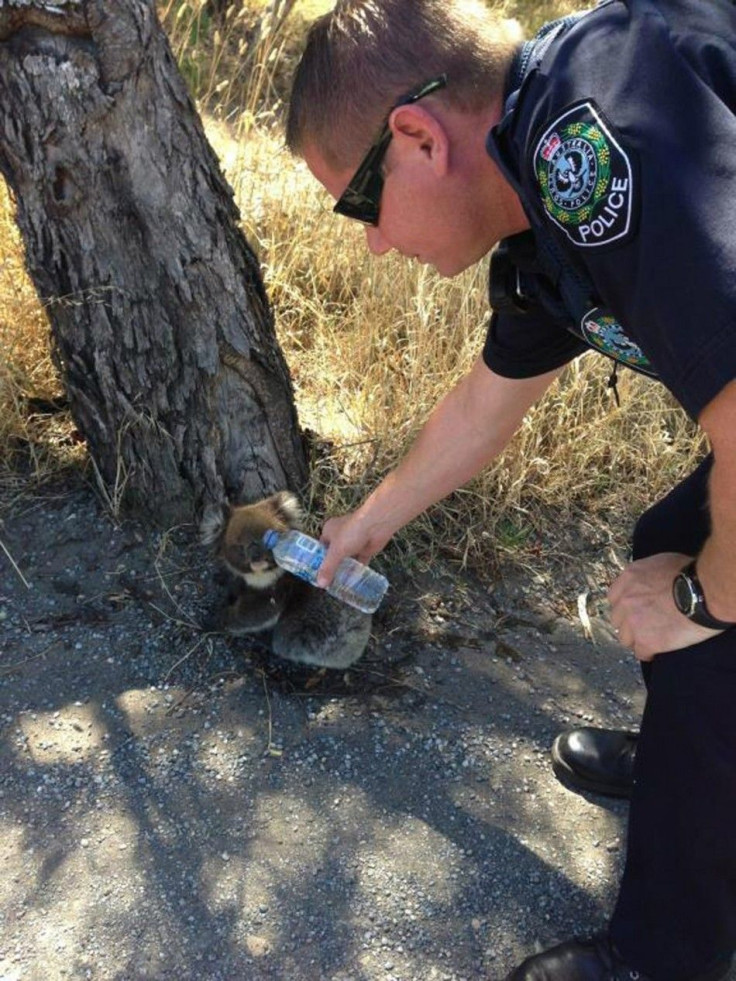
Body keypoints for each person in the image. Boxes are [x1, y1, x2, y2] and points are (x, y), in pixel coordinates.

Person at [285, 0, 736, 978]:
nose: (370, 243)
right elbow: (484, 410)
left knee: (705, 630)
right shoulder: (541, 203)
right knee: (674, 541)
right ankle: (697, 772)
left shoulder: (594, 135)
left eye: (360, 203)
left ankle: (665, 954)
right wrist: (363, 526)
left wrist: (702, 604)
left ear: (417, 137)